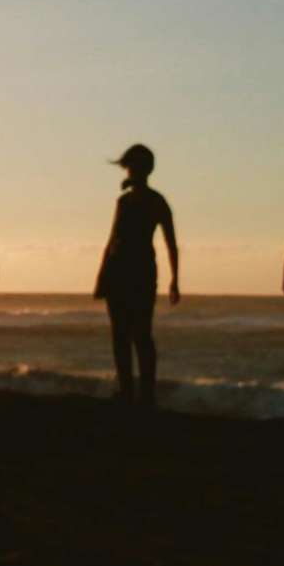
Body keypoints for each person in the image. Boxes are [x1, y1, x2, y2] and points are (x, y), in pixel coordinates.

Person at [93, 143, 179, 406]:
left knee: (140, 333)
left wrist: (175, 280)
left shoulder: (155, 201)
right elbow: (112, 239)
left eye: (134, 167)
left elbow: (170, 242)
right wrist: (102, 274)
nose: (131, 172)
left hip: (139, 271)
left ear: (145, 170)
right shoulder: (125, 201)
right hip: (120, 270)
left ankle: (145, 392)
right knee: (121, 333)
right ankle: (129, 390)